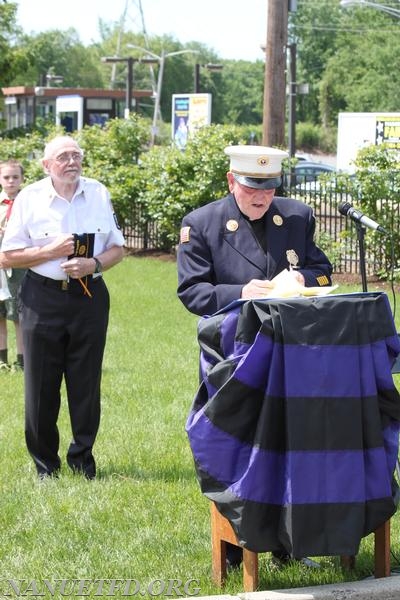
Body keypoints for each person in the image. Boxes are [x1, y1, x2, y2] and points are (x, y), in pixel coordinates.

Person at [177, 144, 333, 567]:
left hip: (290, 357)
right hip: (234, 358)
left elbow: (322, 269)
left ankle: (287, 543)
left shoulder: (296, 215)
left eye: (269, 189)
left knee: (287, 447)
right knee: (235, 452)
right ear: (232, 181)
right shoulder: (202, 224)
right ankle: (231, 550)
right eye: (251, 189)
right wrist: (240, 293)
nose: (262, 198)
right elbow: (192, 292)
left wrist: (302, 275)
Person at [0, 135, 125, 480]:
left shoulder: (98, 193)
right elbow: (6, 256)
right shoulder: (30, 198)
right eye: (63, 157)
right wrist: (48, 252)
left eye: (76, 155)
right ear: (46, 165)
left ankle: (83, 460)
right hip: (42, 297)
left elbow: (118, 248)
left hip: (89, 296)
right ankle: (45, 466)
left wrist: (94, 265)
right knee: (41, 384)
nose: (71, 162)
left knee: (86, 383)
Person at [0, 159, 25, 371]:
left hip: (18, 267)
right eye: (6, 177)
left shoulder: (27, 204)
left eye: (15, 177)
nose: (10, 181)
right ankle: (1, 359)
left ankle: (22, 359)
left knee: (19, 314)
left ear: (22, 179)